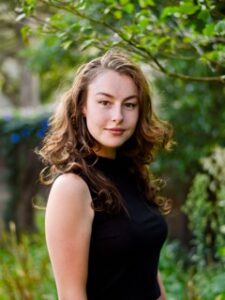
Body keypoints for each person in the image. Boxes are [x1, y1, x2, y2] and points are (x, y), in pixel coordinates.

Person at [38, 48, 173, 300]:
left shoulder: (133, 173)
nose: (118, 116)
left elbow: (147, 272)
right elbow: (71, 295)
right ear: (82, 107)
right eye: (105, 103)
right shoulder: (72, 187)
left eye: (129, 105)